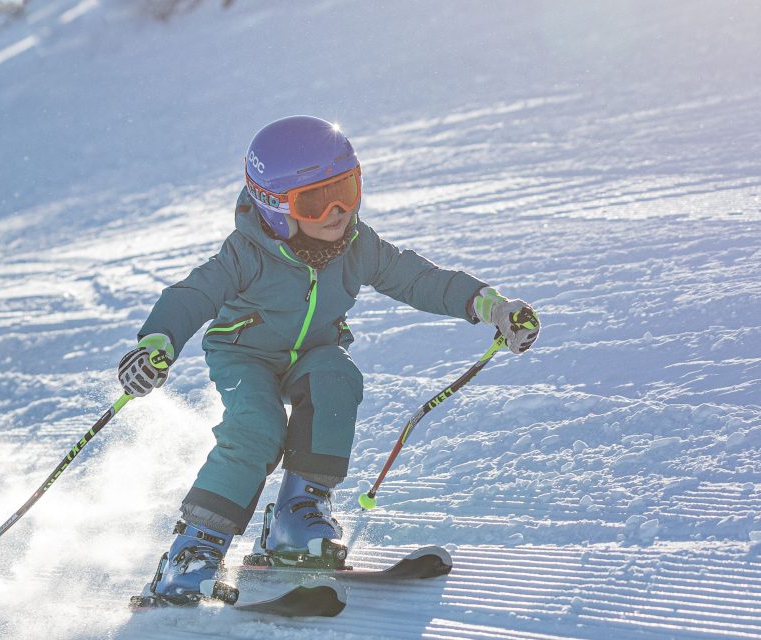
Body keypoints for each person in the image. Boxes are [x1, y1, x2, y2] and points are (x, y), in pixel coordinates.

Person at [119, 115, 540, 603]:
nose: (338, 210)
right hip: (245, 354)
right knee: (256, 429)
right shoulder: (246, 254)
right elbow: (190, 296)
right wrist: (157, 344)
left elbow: (420, 279)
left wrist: (490, 305)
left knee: (336, 379)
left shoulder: (357, 246)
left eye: (346, 188)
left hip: (315, 351)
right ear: (275, 207)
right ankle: (194, 549)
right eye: (316, 201)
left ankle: (297, 516)